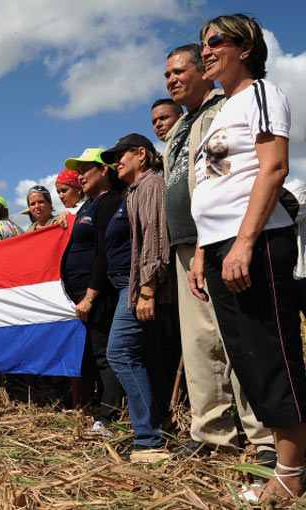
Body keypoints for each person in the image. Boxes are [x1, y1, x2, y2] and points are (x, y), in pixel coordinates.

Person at [190, 14, 306, 501]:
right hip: (218, 247)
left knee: (271, 354)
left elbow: (273, 166)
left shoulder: (262, 93)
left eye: (215, 40)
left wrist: (243, 242)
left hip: (253, 244)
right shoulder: (221, 110)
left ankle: (292, 473)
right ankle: (288, 461)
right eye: (203, 44)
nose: (206, 51)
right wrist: (202, 250)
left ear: (244, 47)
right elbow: (215, 186)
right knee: (246, 358)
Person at [162, 43, 273, 461]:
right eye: (166, 75)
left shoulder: (221, 112)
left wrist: (221, 241)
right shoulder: (180, 126)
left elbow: (227, 181)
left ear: (203, 73)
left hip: (219, 241)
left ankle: (264, 436)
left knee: (239, 338)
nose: (171, 79)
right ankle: (213, 434)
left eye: (179, 71)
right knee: (199, 344)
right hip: (185, 247)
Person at [100, 133, 173, 457]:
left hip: (140, 289)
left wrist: (147, 290)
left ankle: (148, 439)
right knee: (144, 356)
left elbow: (157, 240)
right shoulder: (135, 190)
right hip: (134, 287)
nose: (116, 162)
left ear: (141, 154)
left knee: (119, 353)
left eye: (120, 156)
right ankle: (157, 427)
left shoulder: (151, 186)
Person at [62, 148, 124, 436]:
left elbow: (103, 253)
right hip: (82, 295)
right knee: (94, 354)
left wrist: (90, 295)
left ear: (104, 171)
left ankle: (110, 417)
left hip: (99, 294)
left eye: (86, 169)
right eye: (79, 170)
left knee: (105, 353)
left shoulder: (109, 202)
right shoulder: (88, 205)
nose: (80, 175)